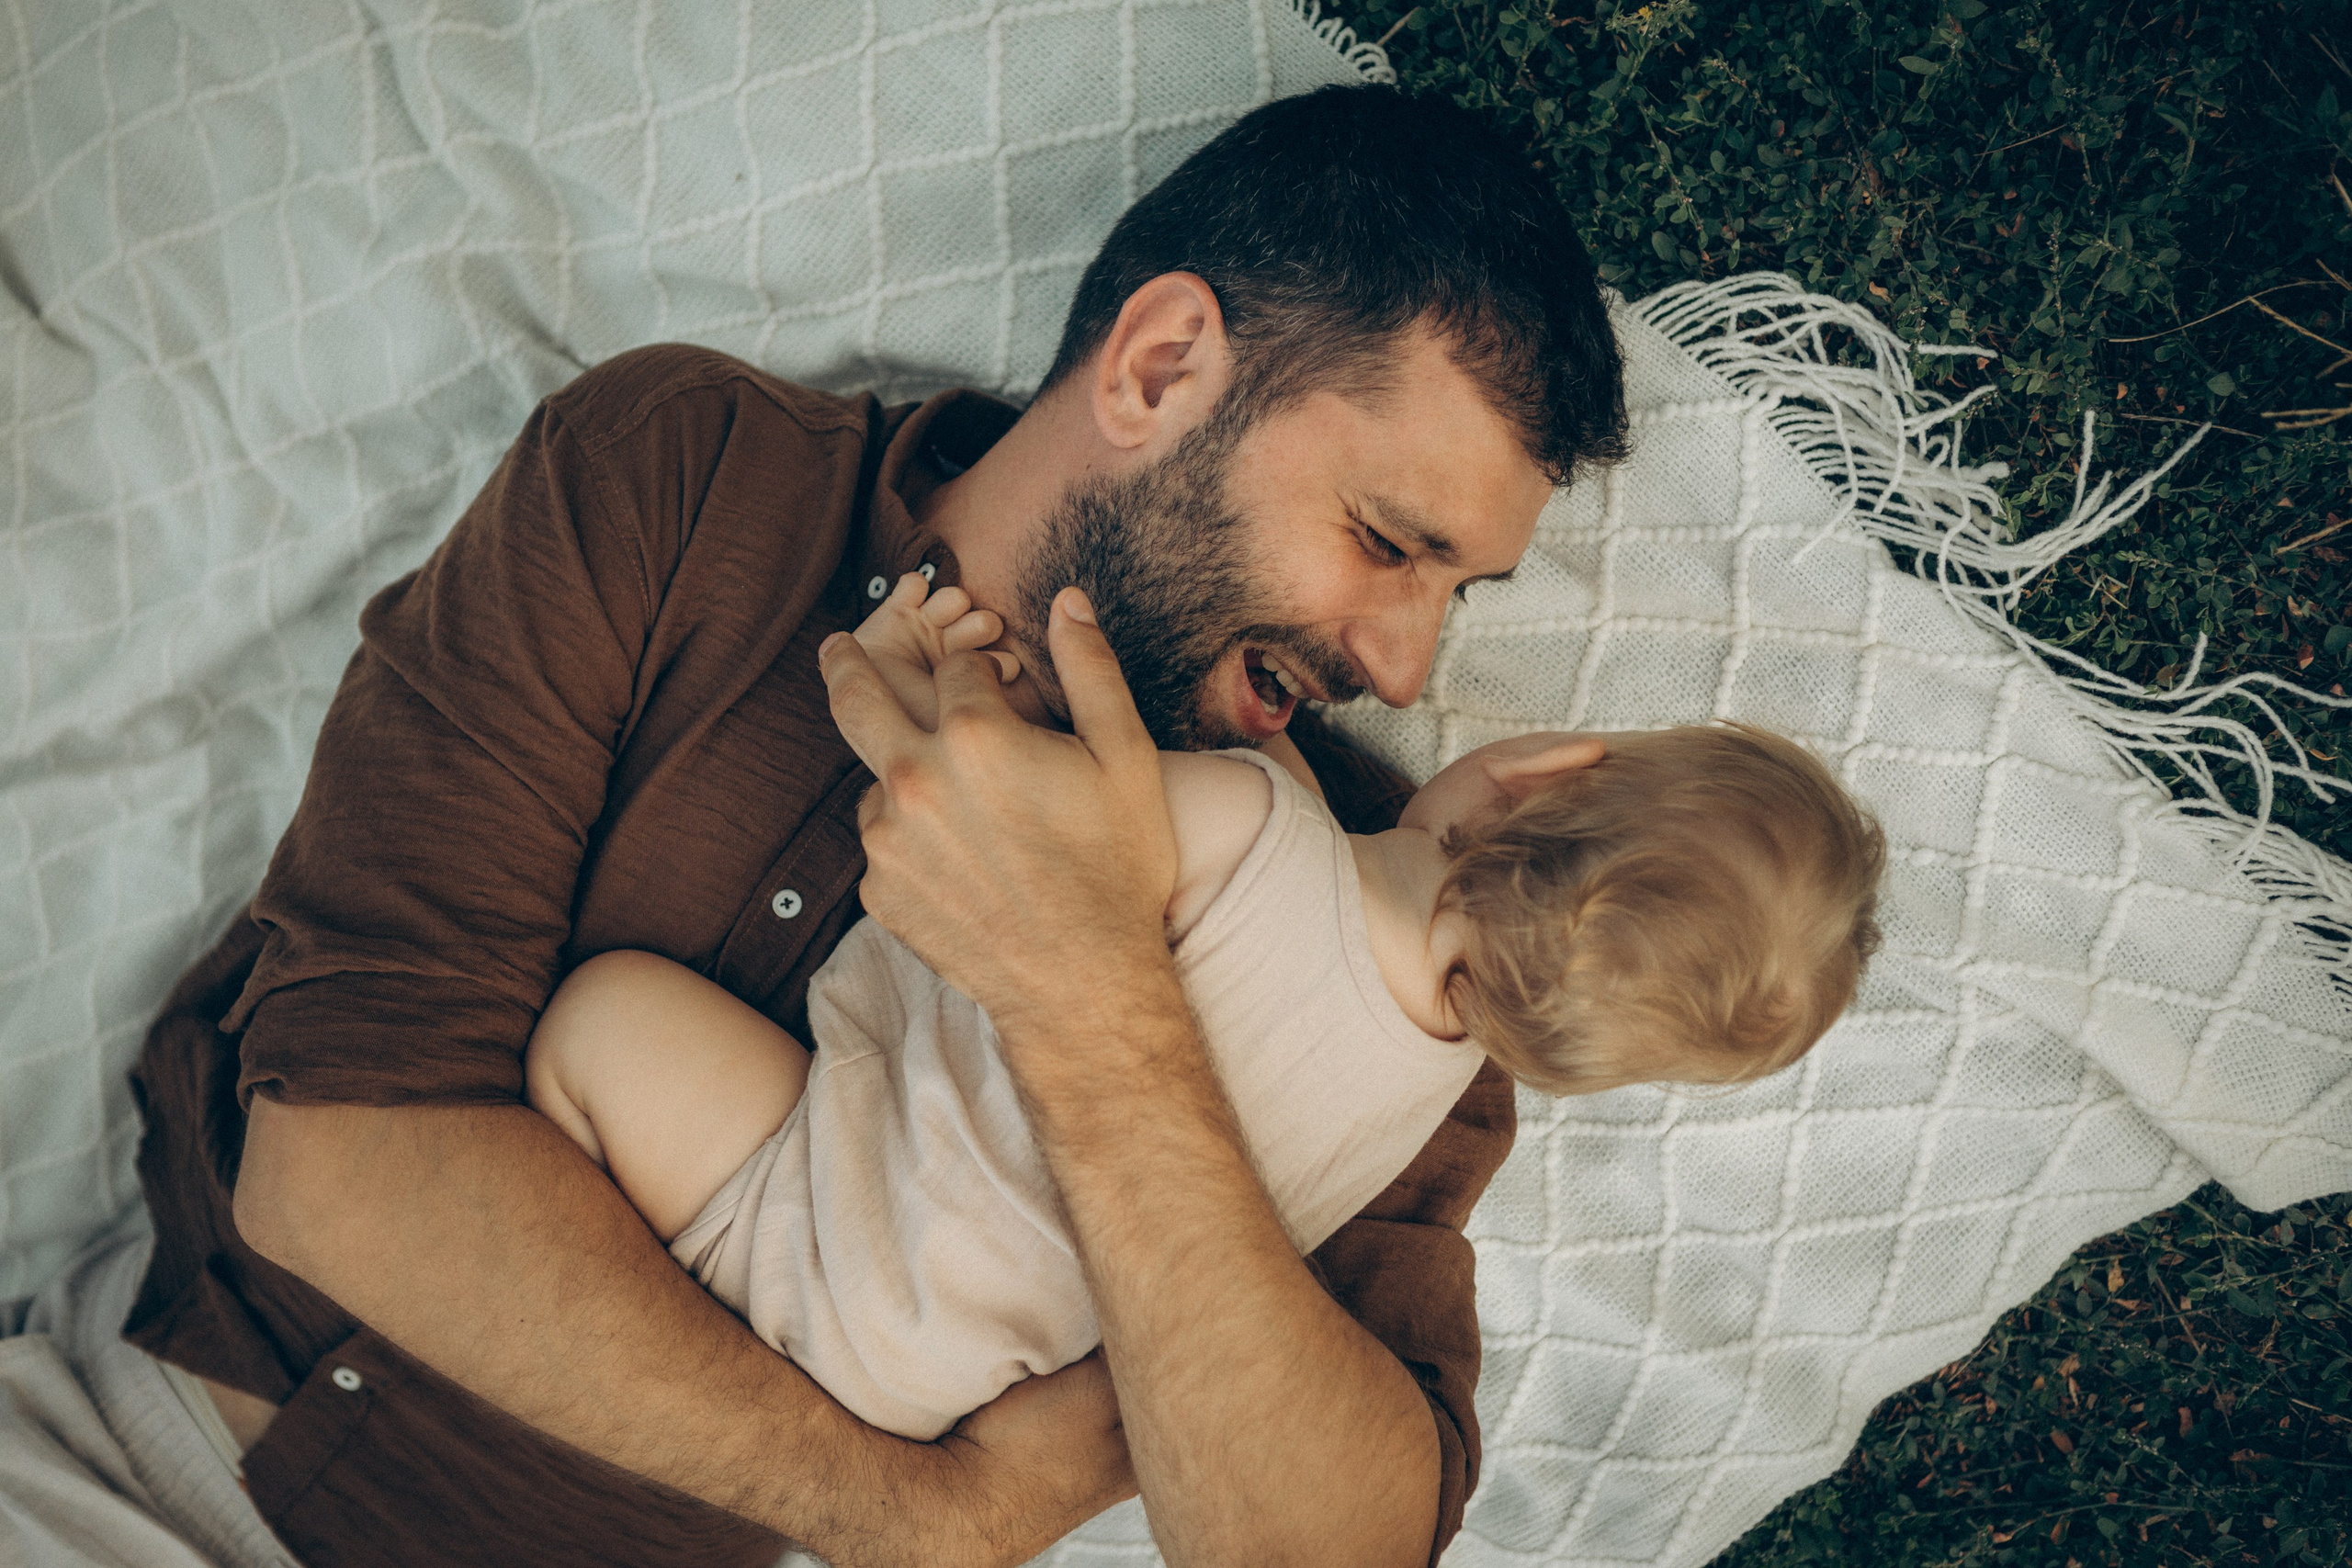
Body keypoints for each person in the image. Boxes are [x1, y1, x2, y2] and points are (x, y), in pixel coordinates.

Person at [119, 83, 1632, 1568]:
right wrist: (925, 1520)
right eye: (1385, 544)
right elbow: (335, 1163)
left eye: (1455, 592)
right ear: (1162, 369)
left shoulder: (1399, 944)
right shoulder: (690, 476)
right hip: (155, 1463)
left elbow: (1315, 1548)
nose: (1406, 665)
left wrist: (1089, 995)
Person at [524, 575, 1887, 1445]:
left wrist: (933, 673)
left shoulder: (1243, 824)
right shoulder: (1417, 1115)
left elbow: (1009, 810)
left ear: (1538, 772)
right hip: (925, 1392)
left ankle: (591, 1303)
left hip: (819, 1216)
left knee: (600, 1018)